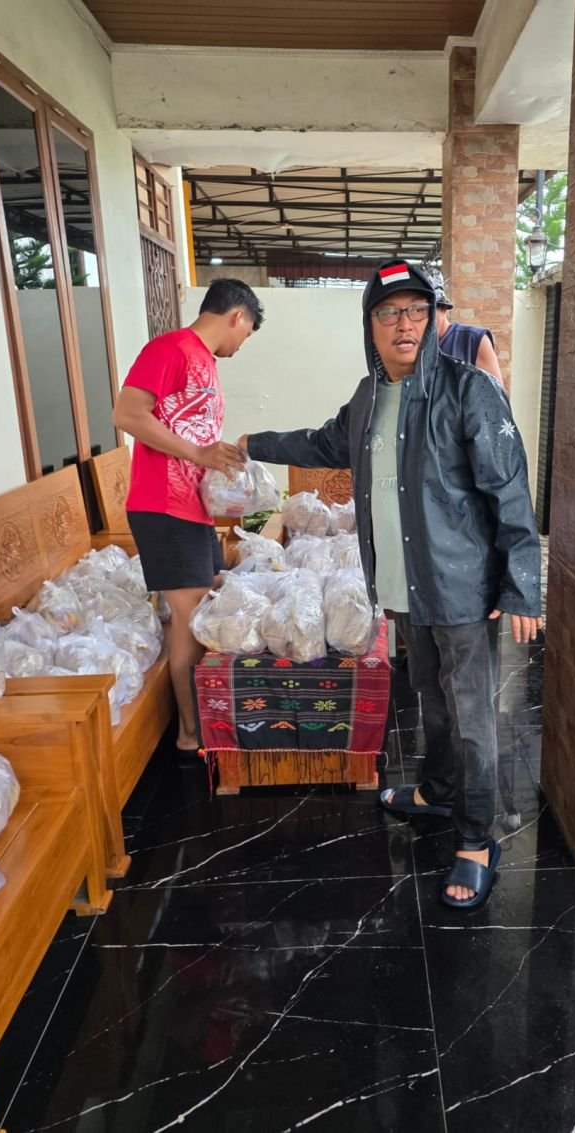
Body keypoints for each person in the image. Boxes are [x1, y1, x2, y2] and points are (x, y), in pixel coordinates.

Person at [239, 260, 541, 908]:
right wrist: (251, 441)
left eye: (414, 310)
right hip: (405, 592)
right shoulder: (369, 397)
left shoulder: (468, 392)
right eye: (388, 312)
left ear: (431, 318)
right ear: (370, 326)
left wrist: (520, 584)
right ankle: (435, 794)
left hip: (462, 593)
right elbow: (322, 442)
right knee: (431, 700)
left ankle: (477, 838)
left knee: (472, 720)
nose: (403, 323)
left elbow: (510, 491)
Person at [112, 278, 265, 758]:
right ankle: (190, 732)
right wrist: (200, 453)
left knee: (202, 608)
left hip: (189, 507)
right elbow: (127, 414)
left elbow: (188, 438)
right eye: (249, 333)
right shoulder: (171, 348)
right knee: (190, 618)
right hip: (162, 506)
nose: (243, 343)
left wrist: (221, 487)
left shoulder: (203, 362)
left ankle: (201, 721)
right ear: (237, 316)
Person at [429, 269, 504, 385]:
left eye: (428, 311)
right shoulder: (411, 346)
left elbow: (495, 399)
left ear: (443, 308)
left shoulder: (473, 342)